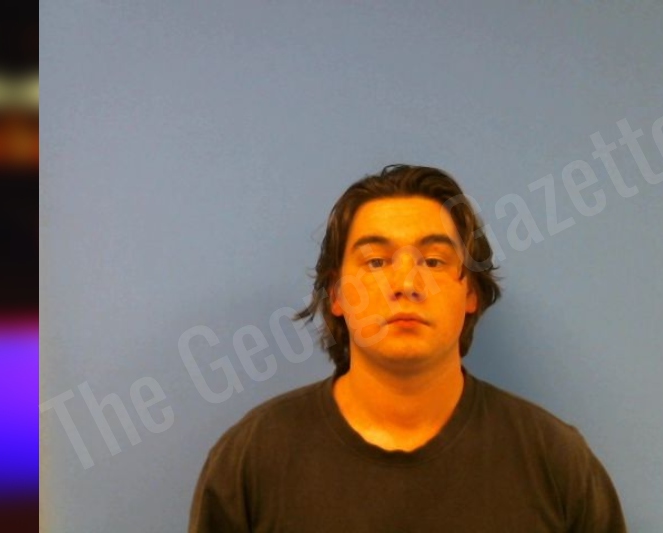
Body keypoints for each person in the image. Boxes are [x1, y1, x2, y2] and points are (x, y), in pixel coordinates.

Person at [188, 164, 627, 532]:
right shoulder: (253, 460)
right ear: (336, 294)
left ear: (471, 292)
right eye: (376, 262)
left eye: (433, 261)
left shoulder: (555, 461)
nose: (405, 284)